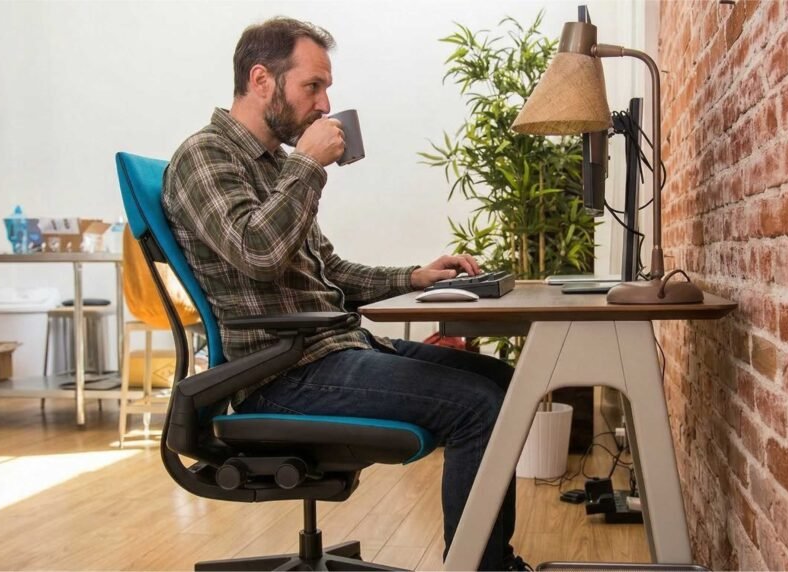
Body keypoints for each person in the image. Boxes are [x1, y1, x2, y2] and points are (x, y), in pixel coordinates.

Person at [162, 16, 526, 572]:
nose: (324, 103)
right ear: (262, 80)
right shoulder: (204, 157)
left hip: (332, 351)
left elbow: (326, 270)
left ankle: (490, 559)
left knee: (500, 382)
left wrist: (417, 277)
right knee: (477, 407)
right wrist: (308, 164)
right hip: (279, 375)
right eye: (313, 86)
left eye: (326, 88)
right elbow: (257, 253)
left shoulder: (277, 168)